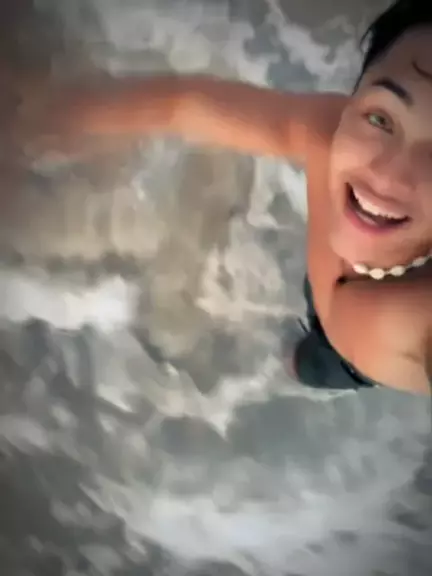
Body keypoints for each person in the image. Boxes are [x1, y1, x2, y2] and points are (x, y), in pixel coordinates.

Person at [11, 0, 432, 394]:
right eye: (382, 118)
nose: (387, 174)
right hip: (333, 294)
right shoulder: (330, 131)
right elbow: (182, 103)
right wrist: (55, 116)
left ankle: (299, 362)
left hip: (350, 359)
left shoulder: (417, 326)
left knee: (307, 366)